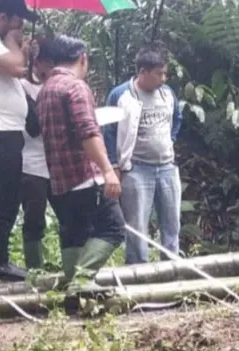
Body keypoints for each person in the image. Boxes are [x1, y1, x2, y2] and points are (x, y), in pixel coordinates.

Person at [36, 35, 125, 282]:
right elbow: (88, 132)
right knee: (113, 228)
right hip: (84, 176)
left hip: (59, 181)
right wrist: (107, 170)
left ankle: (69, 291)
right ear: (82, 58)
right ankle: (80, 284)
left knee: (74, 234)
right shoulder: (75, 87)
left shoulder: (46, 90)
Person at [103, 44, 183, 265]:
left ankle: (171, 269)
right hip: (137, 168)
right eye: (159, 73)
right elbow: (108, 131)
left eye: (165, 73)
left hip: (167, 166)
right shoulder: (121, 94)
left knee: (172, 223)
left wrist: (170, 141)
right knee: (137, 225)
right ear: (143, 72)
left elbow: (177, 118)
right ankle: (138, 273)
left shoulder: (167, 94)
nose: (163, 78)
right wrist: (114, 165)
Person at [0, 0, 38, 281]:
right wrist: (15, 45)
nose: (21, 29)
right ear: (2, 17)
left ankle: (1, 259)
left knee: (8, 198)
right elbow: (14, 67)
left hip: (10, 133)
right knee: (4, 198)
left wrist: (24, 52)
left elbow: (21, 70)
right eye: (17, 23)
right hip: (2, 134)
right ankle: (0, 262)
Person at [19, 47, 54, 269]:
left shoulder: (57, 87)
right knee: (34, 219)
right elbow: (33, 127)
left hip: (57, 163)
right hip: (31, 164)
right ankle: (35, 270)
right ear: (37, 62)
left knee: (72, 216)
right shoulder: (21, 87)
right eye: (48, 64)